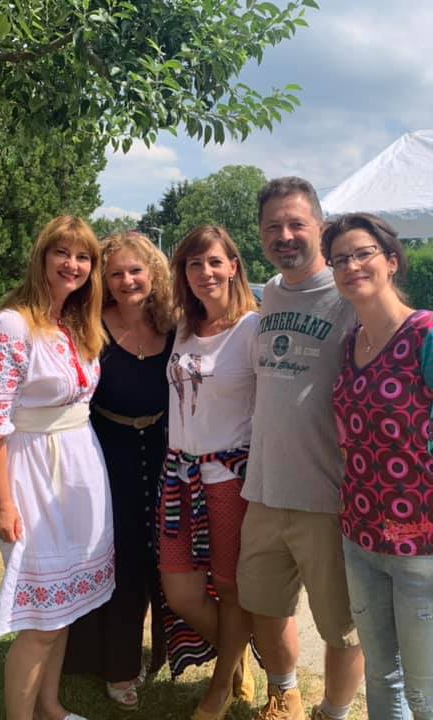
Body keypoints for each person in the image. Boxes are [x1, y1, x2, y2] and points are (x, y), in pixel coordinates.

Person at [237, 179, 433, 720]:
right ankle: (284, 692)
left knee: (344, 627)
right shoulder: (268, 295)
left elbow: (412, 353)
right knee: (264, 604)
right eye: (272, 226)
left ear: (319, 227)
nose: (285, 236)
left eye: (297, 224)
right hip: (264, 487)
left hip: (332, 495)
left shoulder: (350, 291)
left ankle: (333, 711)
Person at [323, 212, 433, 720]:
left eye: (363, 254)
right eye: (339, 260)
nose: (351, 266)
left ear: (392, 261)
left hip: (425, 545)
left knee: (428, 695)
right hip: (361, 538)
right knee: (381, 677)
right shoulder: (351, 343)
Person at [0, 215, 112, 720]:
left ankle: (50, 706)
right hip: (31, 475)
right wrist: (2, 503)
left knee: (62, 609)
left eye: (83, 257)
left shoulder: (74, 323)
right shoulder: (10, 326)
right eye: (62, 253)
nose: (72, 265)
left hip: (78, 471)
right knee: (41, 620)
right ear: (42, 257)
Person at [63, 232, 173, 711]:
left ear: (153, 273)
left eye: (136, 271)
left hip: (166, 453)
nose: (128, 281)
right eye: (116, 274)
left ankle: (168, 652)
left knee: (163, 560)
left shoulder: (173, 324)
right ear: (104, 281)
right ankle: (118, 664)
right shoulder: (89, 328)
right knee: (120, 561)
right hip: (107, 456)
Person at [159, 225, 259, 720]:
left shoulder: (253, 328)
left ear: (233, 266)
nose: (205, 272)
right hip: (179, 478)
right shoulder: (181, 327)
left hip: (229, 480)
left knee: (232, 586)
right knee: (180, 592)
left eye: (215, 262)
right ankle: (237, 657)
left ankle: (220, 688)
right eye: (194, 264)